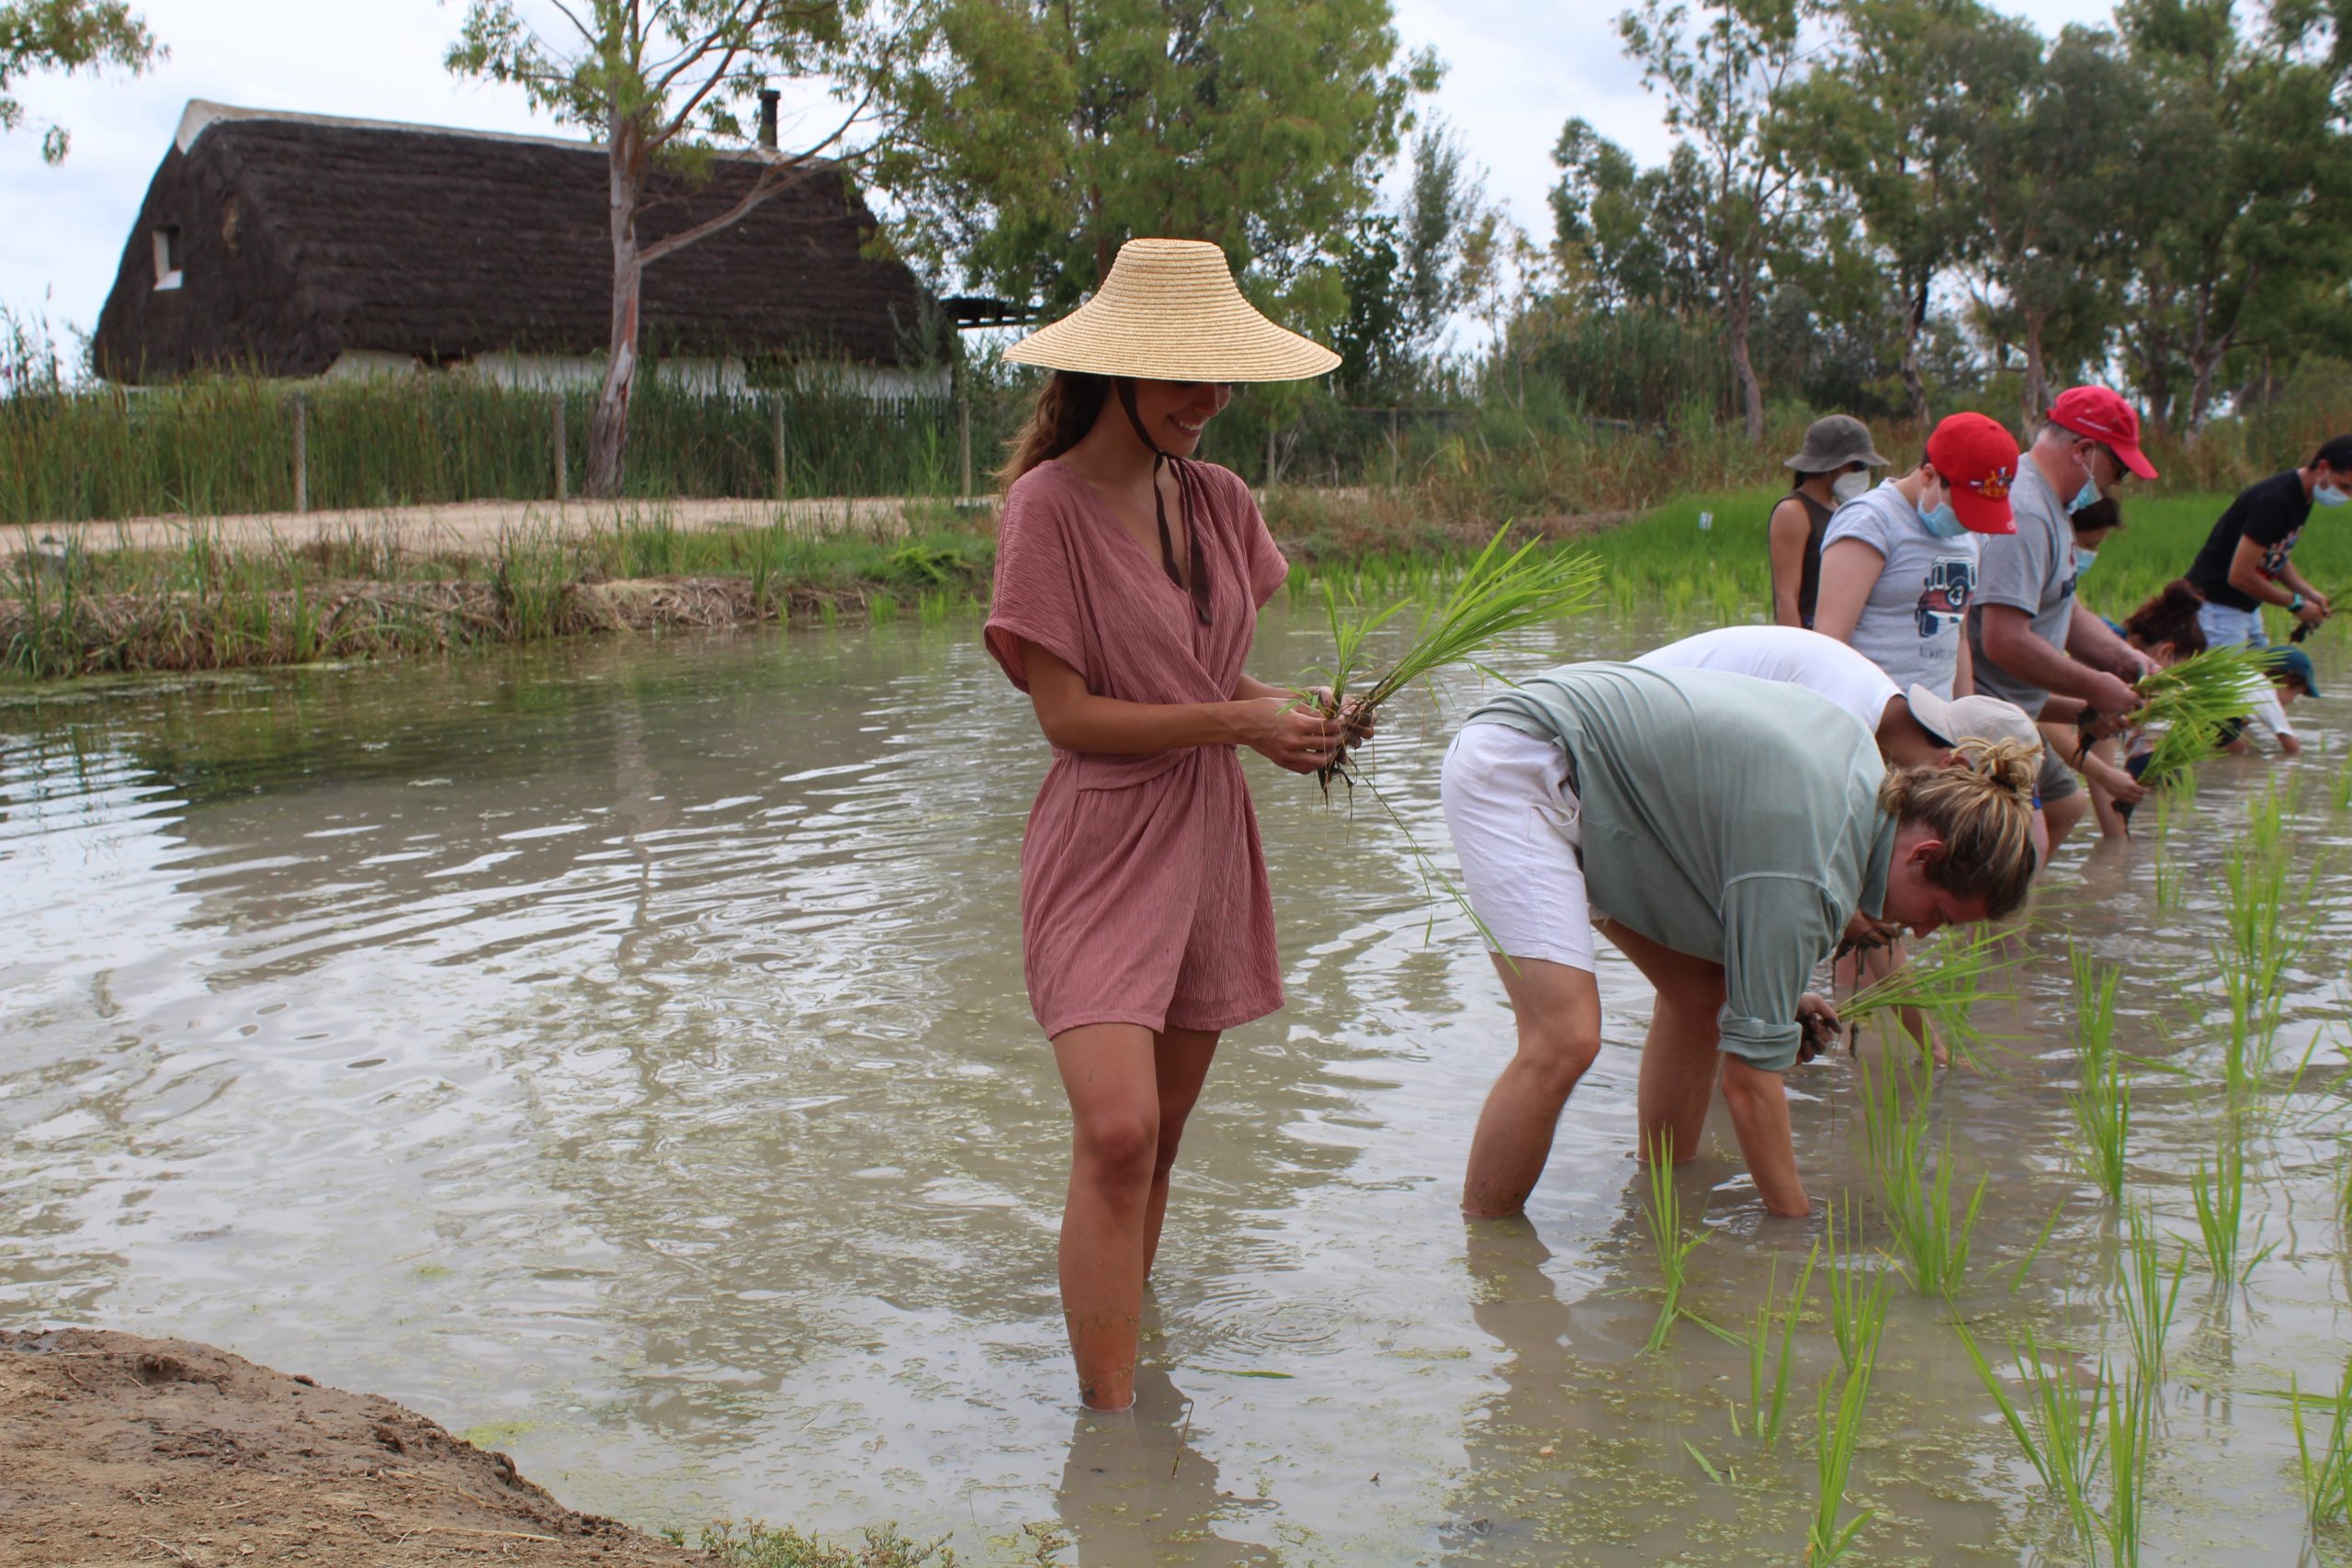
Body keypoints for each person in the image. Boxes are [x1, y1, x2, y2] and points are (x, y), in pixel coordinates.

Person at [981, 237, 1351, 1412]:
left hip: (1207, 843)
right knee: (1118, 1133)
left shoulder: (1220, 500)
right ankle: (1105, 1436)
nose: (1212, 400)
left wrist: (1290, 713)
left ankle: (1130, 1409)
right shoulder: (1045, 509)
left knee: (1166, 1135)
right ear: (1119, 372)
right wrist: (1239, 724)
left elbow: (1204, 676)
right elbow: (1068, 715)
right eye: (1188, 376)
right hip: (1101, 844)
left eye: (1222, 376)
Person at [1439, 662, 2039, 1219]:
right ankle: (1491, 1258)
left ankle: (1666, 1192)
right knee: (1564, 1039)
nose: (1923, 931)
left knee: (1702, 993)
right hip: (1527, 762)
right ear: (1924, 854)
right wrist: (1795, 1228)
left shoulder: (1860, 777)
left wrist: (1770, 994)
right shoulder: (1810, 865)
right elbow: (1749, 1085)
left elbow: (1733, 874)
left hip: (1602, 781)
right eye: (1940, 914)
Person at [1966, 387, 2162, 858]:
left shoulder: (2055, 508)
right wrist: (2095, 686)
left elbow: (2063, 607)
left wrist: (2123, 657)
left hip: (2021, 709)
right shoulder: (2027, 512)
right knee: (2020, 851)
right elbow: (2004, 640)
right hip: (1986, 709)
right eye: (2118, 470)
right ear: (2084, 451)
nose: (2115, 485)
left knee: (2064, 806)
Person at [1813, 412, 2022, 705]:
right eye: (1964, 510)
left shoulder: (1974, 537)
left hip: (1936, 719)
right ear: (1929, 476)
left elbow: (1957, 634)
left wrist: (1965, 713)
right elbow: (1829, 644)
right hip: (1871, 717)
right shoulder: (1871, 522)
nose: (1969, 524)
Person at [2183, 436, 2352, 649]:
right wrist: (2295, 603)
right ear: (2323, 467)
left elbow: (2273, 554)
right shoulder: (2275, 501)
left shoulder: (2303, 496)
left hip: (2244, 606)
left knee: (2265, 668)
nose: (2347, 496)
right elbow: (2239, 575)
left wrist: (2306, 592)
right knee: (2234, 672)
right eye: (2344, 486)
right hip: (2216, 607)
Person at [2082, 581, 2208, 838]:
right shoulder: (2097, 666)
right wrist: (2105, 775)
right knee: (2066, 805)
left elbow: (2096, 750)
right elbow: (2051, 729)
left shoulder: (2115, 676)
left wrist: (2117, 842)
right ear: (2166, 652)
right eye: (2179, 675)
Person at [1770, 415, 1888, 629]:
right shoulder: (1793, 512)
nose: (1863, 474)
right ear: (1831, 466)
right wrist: (1798, 647)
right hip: (1809, 634)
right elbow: (1786, 598)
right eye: (1858, 466)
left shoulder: (1840, 509)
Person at [2219, 645, 2318, 758]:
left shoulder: (2246, 673)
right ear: (2286, 680)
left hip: (2209, 700)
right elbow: (2292, 746)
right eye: (2295, 694)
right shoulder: (2269, 699)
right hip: (2220, 714)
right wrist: (2295, 760)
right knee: (2238, 751)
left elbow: (2242, 712)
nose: (2292, 701)